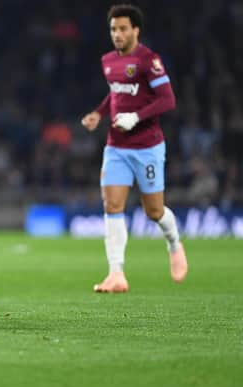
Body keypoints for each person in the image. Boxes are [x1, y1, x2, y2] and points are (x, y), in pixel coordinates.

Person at [80, 4, 188, 293]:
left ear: (135, 30)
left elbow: (168, 99)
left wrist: (137, 117)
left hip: (147, 147)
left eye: (123, 28)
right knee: (112, 205)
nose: (117, 34)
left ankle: (174, 244)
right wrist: (99, 114)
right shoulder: (108, 61)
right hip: (116, 147)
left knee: (153, 211)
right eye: (113, 29)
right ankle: (116, 274)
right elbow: (116, 93)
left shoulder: (148, 61)